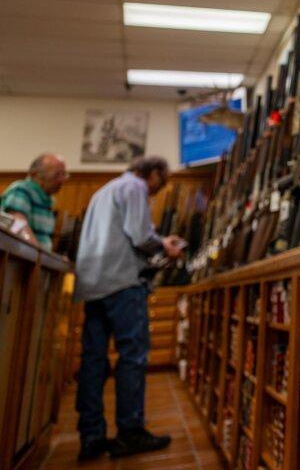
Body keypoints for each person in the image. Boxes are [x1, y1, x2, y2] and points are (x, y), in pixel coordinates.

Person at [74, 156, 185, 461]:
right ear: (152, 174)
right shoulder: (134, 186)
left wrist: (160, 241)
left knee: (93, 361)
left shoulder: (104, 191)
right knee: (133, 357)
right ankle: (130, 431)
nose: (153, 193)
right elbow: (139, 236)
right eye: (157, 186)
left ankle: (91, 436)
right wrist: (167, 247)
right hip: (122, 283)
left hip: (93, 284)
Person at [1, 153, 68, 249]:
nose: (62, 180)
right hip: (23, 259)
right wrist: (40, 256)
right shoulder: (21, 190)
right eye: (56, 175)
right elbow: (18, 226)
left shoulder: (48, 200)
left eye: (64, 174)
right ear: (35, 174)